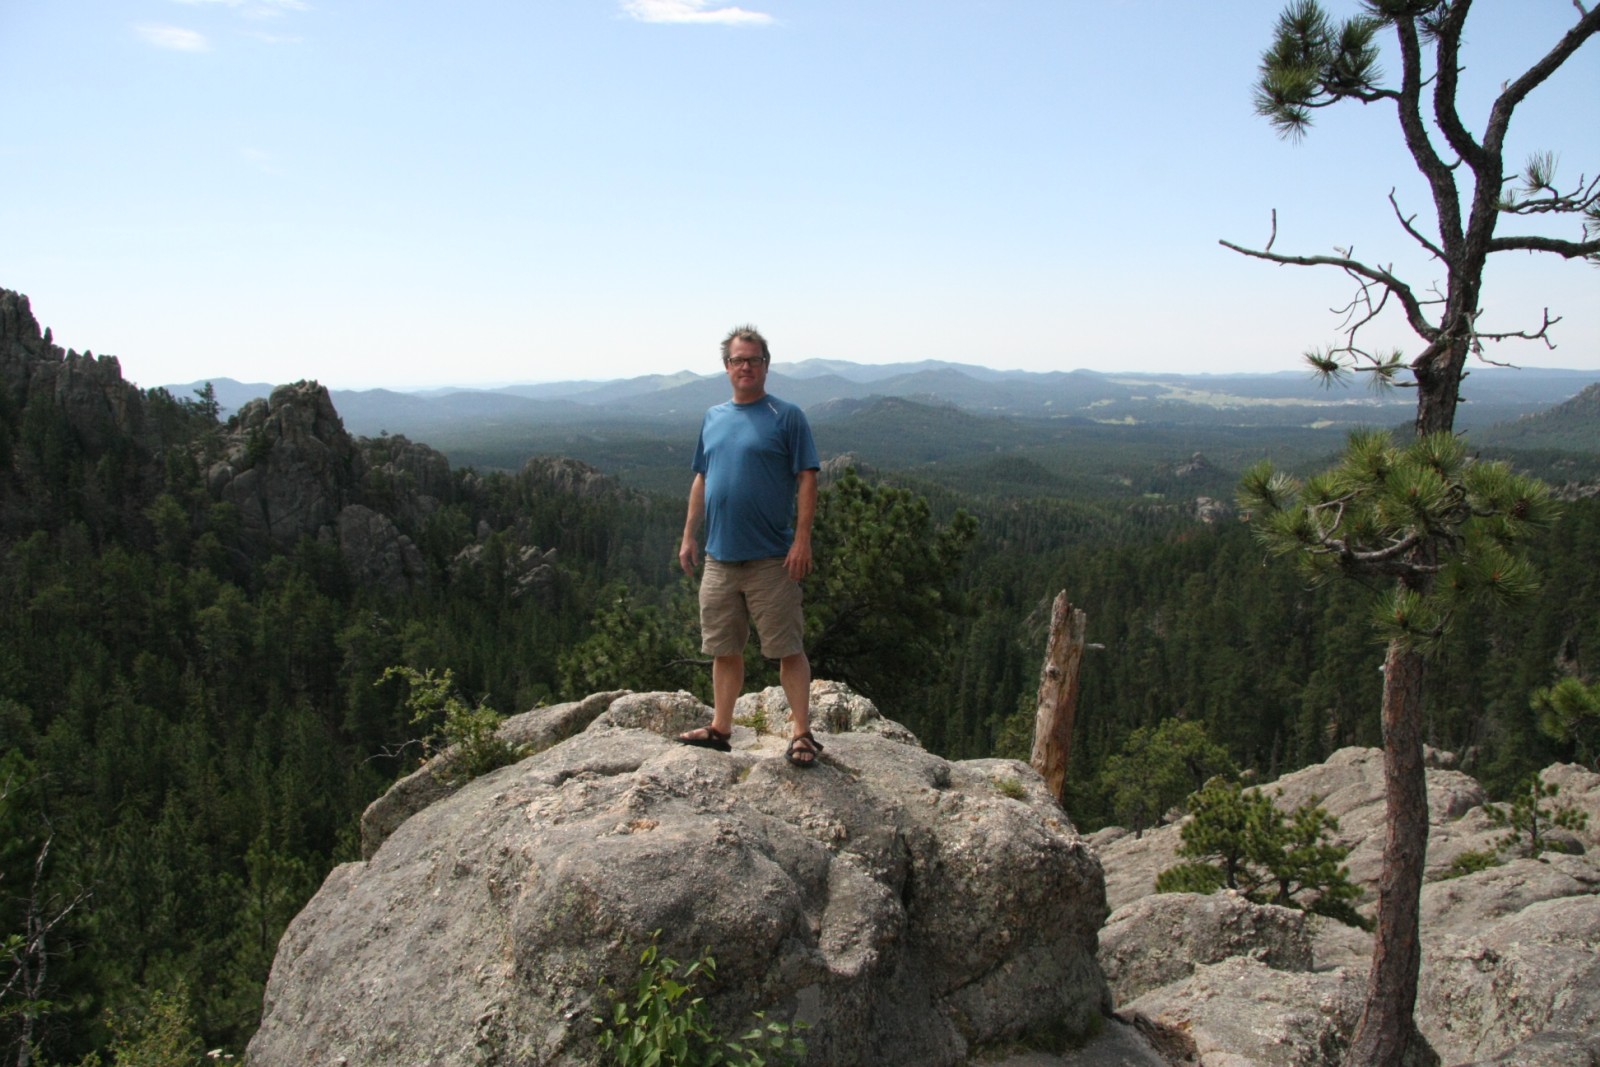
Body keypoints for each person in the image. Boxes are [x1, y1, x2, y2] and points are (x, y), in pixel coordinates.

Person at [676, 325, 823, 767]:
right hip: (720, 558)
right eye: (738, 360)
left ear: (766, 365)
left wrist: (801, 540)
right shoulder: (713, 417)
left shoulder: (787, 415)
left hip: (771, 559)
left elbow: (808, 476)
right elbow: (702, 477)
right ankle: (721, 728)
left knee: (787, 647)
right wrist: (688, 535)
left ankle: (802, 733)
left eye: (754, 360)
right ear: (726, 367)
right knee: (724, 648)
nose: (746, 367)